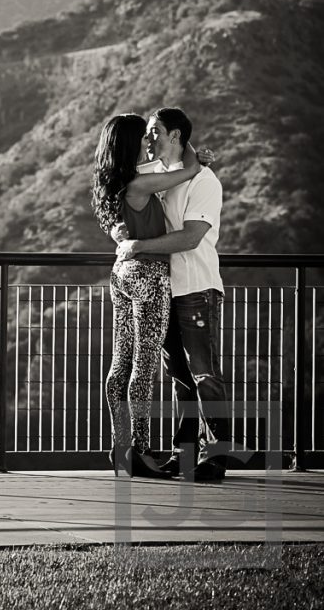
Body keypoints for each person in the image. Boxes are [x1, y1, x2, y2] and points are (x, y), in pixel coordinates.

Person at [115, 107, 229, 483]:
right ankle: (185, 455)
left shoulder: (205, 182)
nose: (149, 139)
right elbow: (122, 199)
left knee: (204, 376)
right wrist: (119, 232)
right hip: (162, 291)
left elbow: (191, 236)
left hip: (196, 290)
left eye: (156, 131)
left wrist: (139, 245)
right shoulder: (152, 175)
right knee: (180, 377)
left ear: (176, 136)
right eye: (148, 132)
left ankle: (217, 456)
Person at [92, 112, 207, 479]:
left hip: (121, 275)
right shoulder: (139, 185)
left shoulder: (115, 183)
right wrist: (185, 141)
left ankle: (120, 445)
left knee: (120, 361)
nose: (148, 140)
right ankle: (140, 451)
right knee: (143, 365)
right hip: (150, 275)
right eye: (143, 136)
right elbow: (189, 171)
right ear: (130, 143)